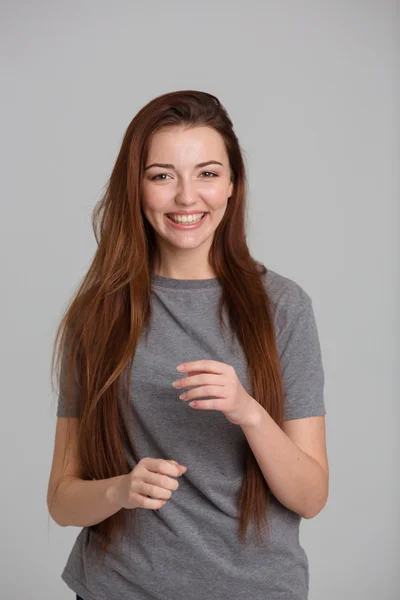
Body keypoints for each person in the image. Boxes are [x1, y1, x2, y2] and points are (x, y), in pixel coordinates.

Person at [47, 90, 329, 600]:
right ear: (136, 187)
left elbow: (310, 497)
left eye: (207, 173)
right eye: (161, 175)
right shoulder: (97, 315)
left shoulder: (283, 307)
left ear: (232, 185)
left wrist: (249, 412)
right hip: (119, 587)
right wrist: (119, 490)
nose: (186, 197)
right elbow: (62, 501)